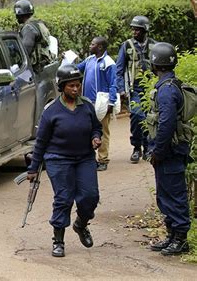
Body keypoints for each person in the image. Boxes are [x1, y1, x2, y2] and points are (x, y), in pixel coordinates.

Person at [27, 63, 102, 258]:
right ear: (62, 86)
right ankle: (58, 240)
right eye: (71, 86)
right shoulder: (51, 111)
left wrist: (96, 137)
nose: (75, 89)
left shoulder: (86, 106)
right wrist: (33, 168)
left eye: (78, 85)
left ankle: (81, 224)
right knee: (64, 199)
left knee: (90, 196)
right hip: (58, 159)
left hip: (85, 157)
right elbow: (41, 141)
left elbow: (96, 127)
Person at [146, 42, 190, 256]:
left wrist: (158, 152)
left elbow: (166, 124)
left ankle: (180, 238)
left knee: (174, 194)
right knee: (166, 194)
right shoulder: (170, 85)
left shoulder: (166, 91)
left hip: (170, 152)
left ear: (155, 63)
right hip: (170, 151)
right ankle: (173, 235)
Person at [116, 16, 156, 164]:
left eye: (137, 29)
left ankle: (147, 148)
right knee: (136, 116)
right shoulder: (126, 46)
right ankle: (136, 147)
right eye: (133, 29)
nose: (134, 31)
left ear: (145, 30)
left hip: (151, 88)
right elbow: (119, 70)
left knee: (149, 118)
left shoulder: (154, 45)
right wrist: (121, 89)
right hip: (135, 89)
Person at [77, 37, 117, 171]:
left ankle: (103, 159)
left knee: (102, 130)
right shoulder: (89, 60)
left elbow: (113, 84)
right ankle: (90, 158)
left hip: (101, 103)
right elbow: (77, 69)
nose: (90, 45)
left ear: (100, 47)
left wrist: (111, 102)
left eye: (92, 44)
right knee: (87, 130)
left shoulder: (108, 63)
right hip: (87, 102)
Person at [13, 0, 52, 74]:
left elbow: (25, 51)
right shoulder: (39, 23)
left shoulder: (28, 28)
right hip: (43, 65)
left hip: (35, 70)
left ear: (19, 14)